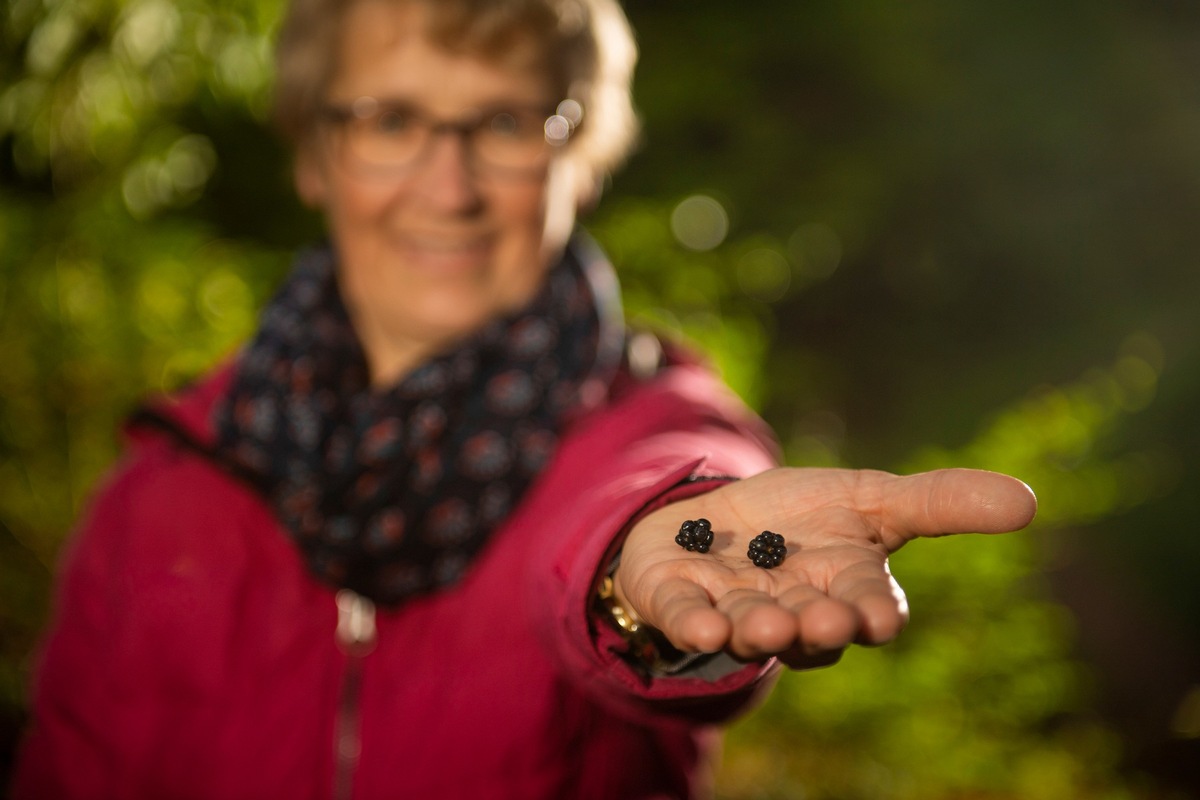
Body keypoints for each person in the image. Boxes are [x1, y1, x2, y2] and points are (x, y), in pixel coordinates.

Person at [10, 0, 1037, 797]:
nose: (448, 184)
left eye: (505, 123)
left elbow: (659, 493)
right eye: (391, 119)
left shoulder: (649, 430)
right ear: (314, 154)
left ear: (580, 160)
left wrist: (642, 575)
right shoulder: (162, 492)